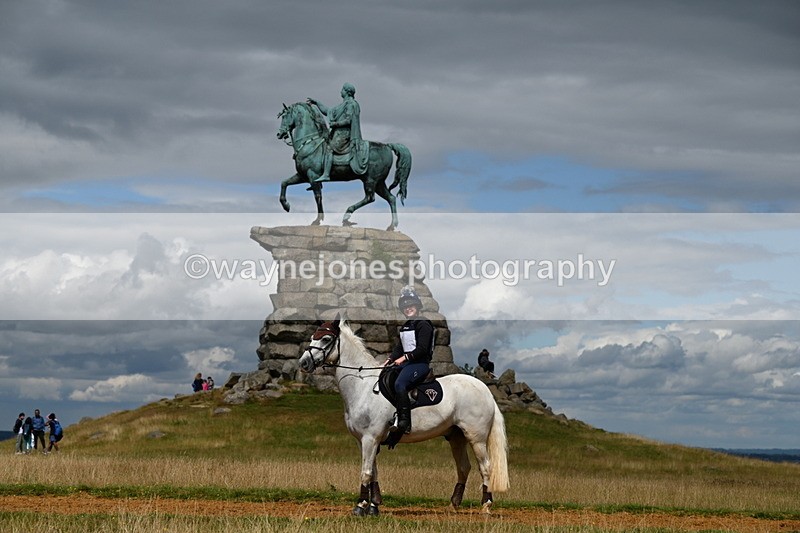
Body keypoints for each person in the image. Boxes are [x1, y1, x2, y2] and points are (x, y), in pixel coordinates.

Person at [383, 286, 434, 434]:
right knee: (387, 376)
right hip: (407, 364)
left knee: (400, 383)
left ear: (417, 306)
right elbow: (400, 347)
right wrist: (390, 359)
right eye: (405, 306)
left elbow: (422, 349)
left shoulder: (423, 324)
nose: (408, 308)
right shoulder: (405, 327)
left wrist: (404, 358)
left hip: (419, 364)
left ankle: (405, 422)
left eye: (410, 305)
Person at [306, 82, 369, 184]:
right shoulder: (343, 105)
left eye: (342, 90)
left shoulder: (351, 104)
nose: (341, 92)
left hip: (345, 134)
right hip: (338, 133)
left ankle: (326, 174)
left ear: (347, 92)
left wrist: (335, 124)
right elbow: (328, 111)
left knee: (329, 148)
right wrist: (317, 103)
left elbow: (349, 120)